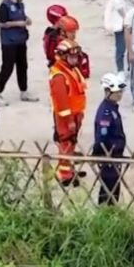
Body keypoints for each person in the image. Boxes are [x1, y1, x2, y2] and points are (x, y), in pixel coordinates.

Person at [48, 40, 87, 186]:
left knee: (71, 144)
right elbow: (62, 102)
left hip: (75, 114)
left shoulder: (70, 70)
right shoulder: (59, 76)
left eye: (76, 56)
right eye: (72, 57)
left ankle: (68, 169)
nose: (75, 59)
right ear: (63, 56)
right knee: (65, 143)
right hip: (66, 117)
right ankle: (64, 174)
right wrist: (69, 120)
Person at [0, 0, 34, 106]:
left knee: (23, 66)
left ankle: (24, 92)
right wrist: (18, 23)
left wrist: (27, 19)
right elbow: (1, 23)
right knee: (7, 67)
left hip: (21, 40)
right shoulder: (4, 5)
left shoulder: (20, 2)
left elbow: (21, 15)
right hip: (9, 42)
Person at [93, 73, 127, 205]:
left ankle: (110, 212)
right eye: (116, 92)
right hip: (108, 157)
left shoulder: (112, 108)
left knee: (114, 188)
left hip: (115, 156)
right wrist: (100, 153)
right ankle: (106, 213)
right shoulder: (106, 112)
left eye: (120, 91)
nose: (119, 94)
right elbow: (102, 136)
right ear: (107, 91)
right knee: (109, 189)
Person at [104, 0, 134, 74]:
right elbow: (116, 4)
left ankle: (131, 68)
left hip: (133, 21)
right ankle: (120, 70)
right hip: (120, 21)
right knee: (120, 48)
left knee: (133, 47)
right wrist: (126, 19)